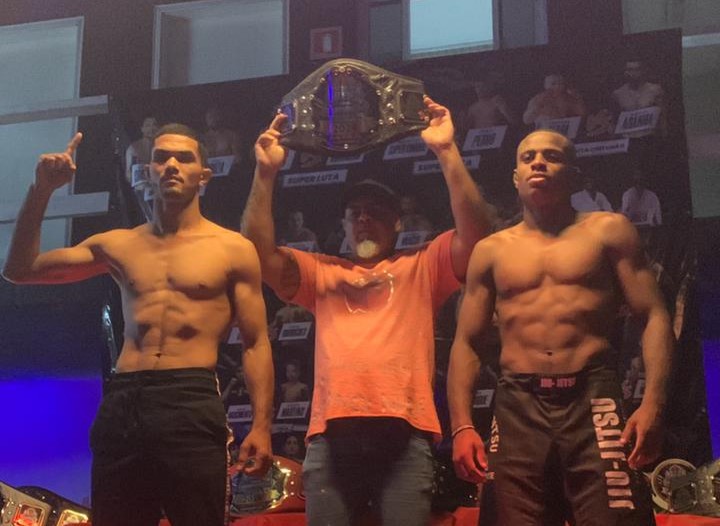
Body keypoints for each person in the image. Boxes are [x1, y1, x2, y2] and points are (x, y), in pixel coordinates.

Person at [2, 125, 274, 526]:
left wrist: (262, 425)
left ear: (204, 174)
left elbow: (255, 342)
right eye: (161, 157)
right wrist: (42, 189)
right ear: (149, 170)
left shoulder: (233, 249)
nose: (172, 165)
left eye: (184, 158)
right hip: (125, 398)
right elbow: (20, 270)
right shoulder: (118, 244)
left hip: (189, 397)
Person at [242, 96, 492, 526]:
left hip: (405, 433)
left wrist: (447, 151)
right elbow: (257, 254)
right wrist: (265, 173)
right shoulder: (321, 271)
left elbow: (478, 237)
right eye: (354, 214)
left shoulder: (423, 264)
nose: (363, 220)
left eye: (375, 213)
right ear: (342, 224)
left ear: (397, 223)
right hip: (332, 436)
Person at [448, 129, 673, 525]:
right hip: (518, 403)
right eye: (528, 157)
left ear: (574, 175)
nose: (538, 162)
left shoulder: (609, 230)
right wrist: (462, 426)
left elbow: (653, 315)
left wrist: (653, 403)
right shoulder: (491, 250)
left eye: (552, 156)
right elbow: (467, 341)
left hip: (593, 397)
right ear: (516, 177)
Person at [613, 60, 666, 138]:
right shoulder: (618, 94)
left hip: (649, 137)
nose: (633, 73)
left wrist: (664, 136)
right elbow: (615, 121)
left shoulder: (655, 90)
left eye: (637, 69)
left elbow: (663, 116)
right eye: (630, 69)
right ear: (625, 72)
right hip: (628, 138)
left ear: (642, 71)